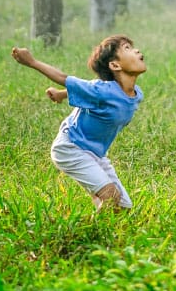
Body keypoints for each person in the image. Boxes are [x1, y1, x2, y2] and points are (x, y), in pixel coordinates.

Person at [11, 36, 146, 210]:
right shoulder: (102, 90)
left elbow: (88, 91)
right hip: (71, 147)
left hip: (95, 154)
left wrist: (61, 94)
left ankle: (98, 201)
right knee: (111, 197)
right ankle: (87, 232)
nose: (136, 50)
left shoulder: (136, 94)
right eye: (127, 48)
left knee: (123, 207)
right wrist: (32, 62)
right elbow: (64, 78)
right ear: (115, 65)